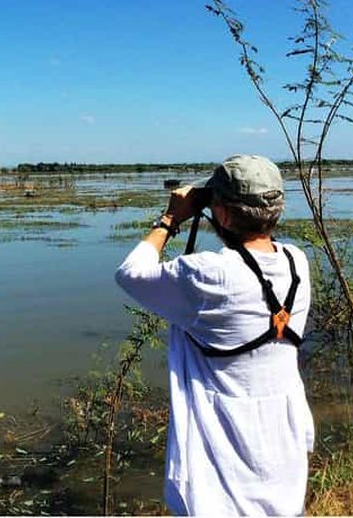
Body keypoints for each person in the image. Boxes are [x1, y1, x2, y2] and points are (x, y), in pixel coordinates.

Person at [114, 155, 314, 516]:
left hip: (223, 458)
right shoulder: (296, 262)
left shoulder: (208, 274)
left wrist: (171, 219)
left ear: (221, 214)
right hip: (283, 445)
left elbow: (130, 273)